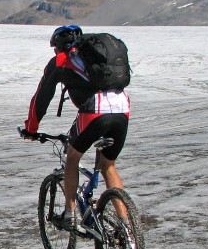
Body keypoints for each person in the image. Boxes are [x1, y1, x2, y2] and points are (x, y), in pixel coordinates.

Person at [22, 25, 130, 230]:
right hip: (122, 107)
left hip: (94, 110)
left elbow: (42, 96)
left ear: (59, 47)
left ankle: (70, 214)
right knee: (109, 166)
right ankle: (127, 228)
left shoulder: (61, 61)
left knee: (72, 158)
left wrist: (31, 129)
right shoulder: (96, 59)